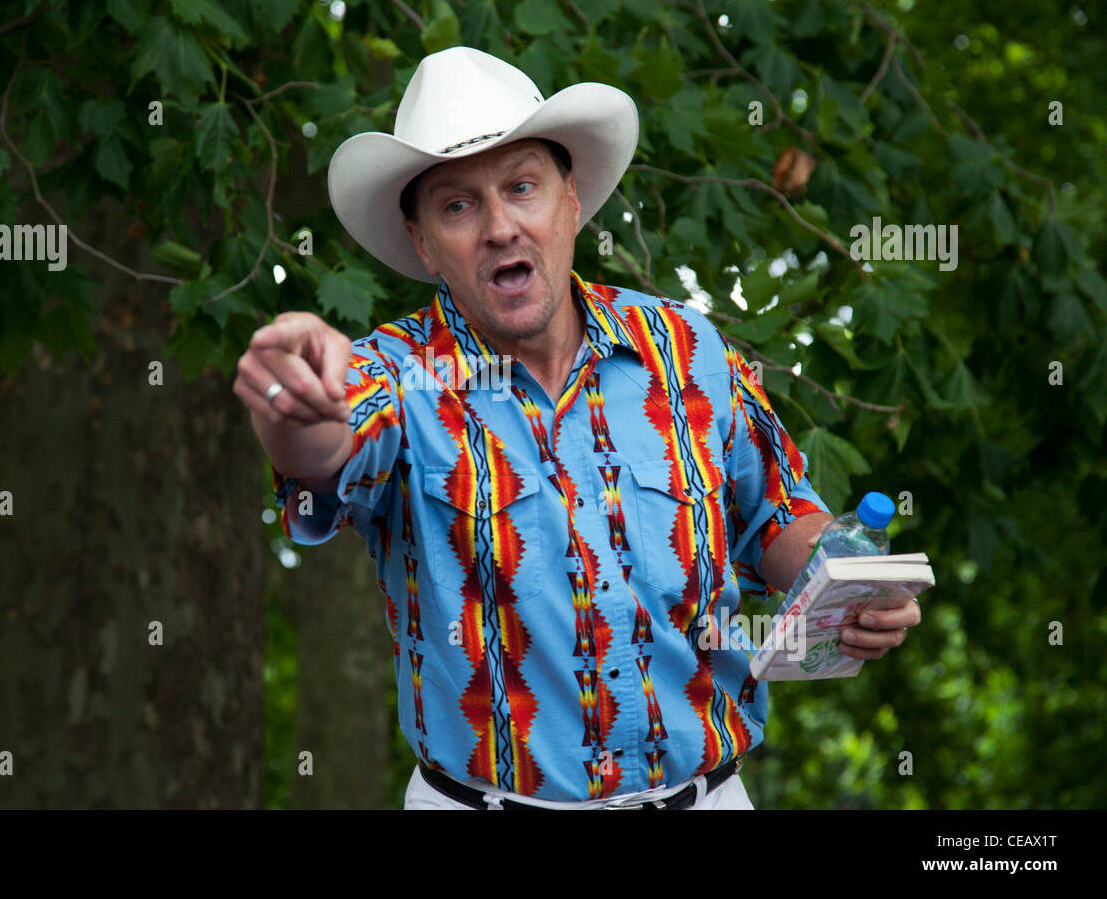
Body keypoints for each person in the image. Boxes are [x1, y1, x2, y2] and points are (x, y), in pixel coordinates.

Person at [233, 46, 921, 810]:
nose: (499, 227)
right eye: (458, 205)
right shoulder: (397, 374)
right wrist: (296, 405)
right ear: (425, 244)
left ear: (573, 200)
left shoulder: (684, 347)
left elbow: (774, 516)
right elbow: (321, 456)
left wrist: (849, 583)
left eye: (521, 187)